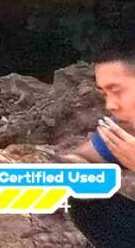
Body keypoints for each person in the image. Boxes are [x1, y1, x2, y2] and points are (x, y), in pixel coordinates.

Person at [60, 45, 135, 246]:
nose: (110, 105)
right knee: (85, 196)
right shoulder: (126, 127)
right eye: (104, 94)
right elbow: (85, 158)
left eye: (116, 91)